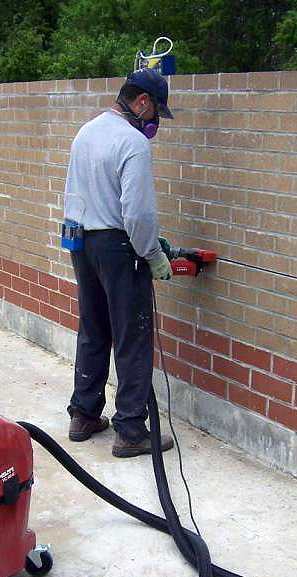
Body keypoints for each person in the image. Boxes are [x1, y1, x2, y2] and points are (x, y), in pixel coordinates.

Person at [65, 68, 175, 458]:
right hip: (119, 248)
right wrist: (154, 255)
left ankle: (84, 415)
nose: (155, 122)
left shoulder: (86, 132)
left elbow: (75, 193)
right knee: (132, 336)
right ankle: (130, 430)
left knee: (93, 329)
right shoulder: (132, 142)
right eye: (156, 112)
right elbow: (138, 215)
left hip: (82, 241)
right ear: (142, 102)